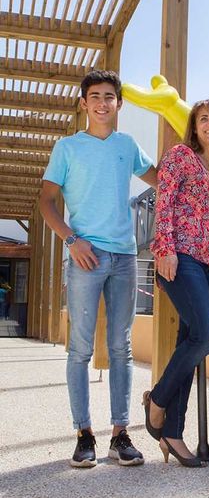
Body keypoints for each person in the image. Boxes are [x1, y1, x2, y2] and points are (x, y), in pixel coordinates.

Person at [40, 70, 157, 468]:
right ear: (84, 103)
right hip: (85, 258)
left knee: (122, 348)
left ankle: (120, 435)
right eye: (95, 96)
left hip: (124, 257)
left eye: (110, 96)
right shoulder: (67, 148)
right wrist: (72, 241)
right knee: (80, 349)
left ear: (119, 104)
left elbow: (161, 178)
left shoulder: (127, 145)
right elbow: (47, 202)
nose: (103, 102)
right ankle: (83, 435)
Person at [143, 99, 209, 467]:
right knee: (205, 336)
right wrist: (163, 249)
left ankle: (173, 433)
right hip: (180, 257)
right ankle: (159, 400)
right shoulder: (180, 156)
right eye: (204, 118)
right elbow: (163, 202)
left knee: (190, 340)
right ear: (194, 126)